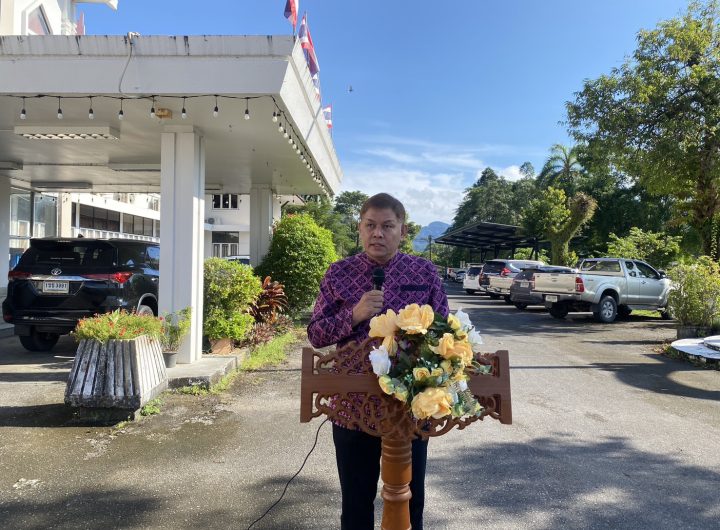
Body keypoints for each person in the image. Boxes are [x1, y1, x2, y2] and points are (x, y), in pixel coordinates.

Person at [307, 193, 449, 530]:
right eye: (370, 225)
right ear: (360, 228)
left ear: (402, 230)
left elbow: (444, 331)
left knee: (411, 500)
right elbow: (315, 334)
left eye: (387, 226)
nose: (377, 234)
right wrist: (354, 315)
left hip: (409, 408)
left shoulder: (424, 272)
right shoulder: (338, 273)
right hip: (352, 406)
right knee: (356, 503)